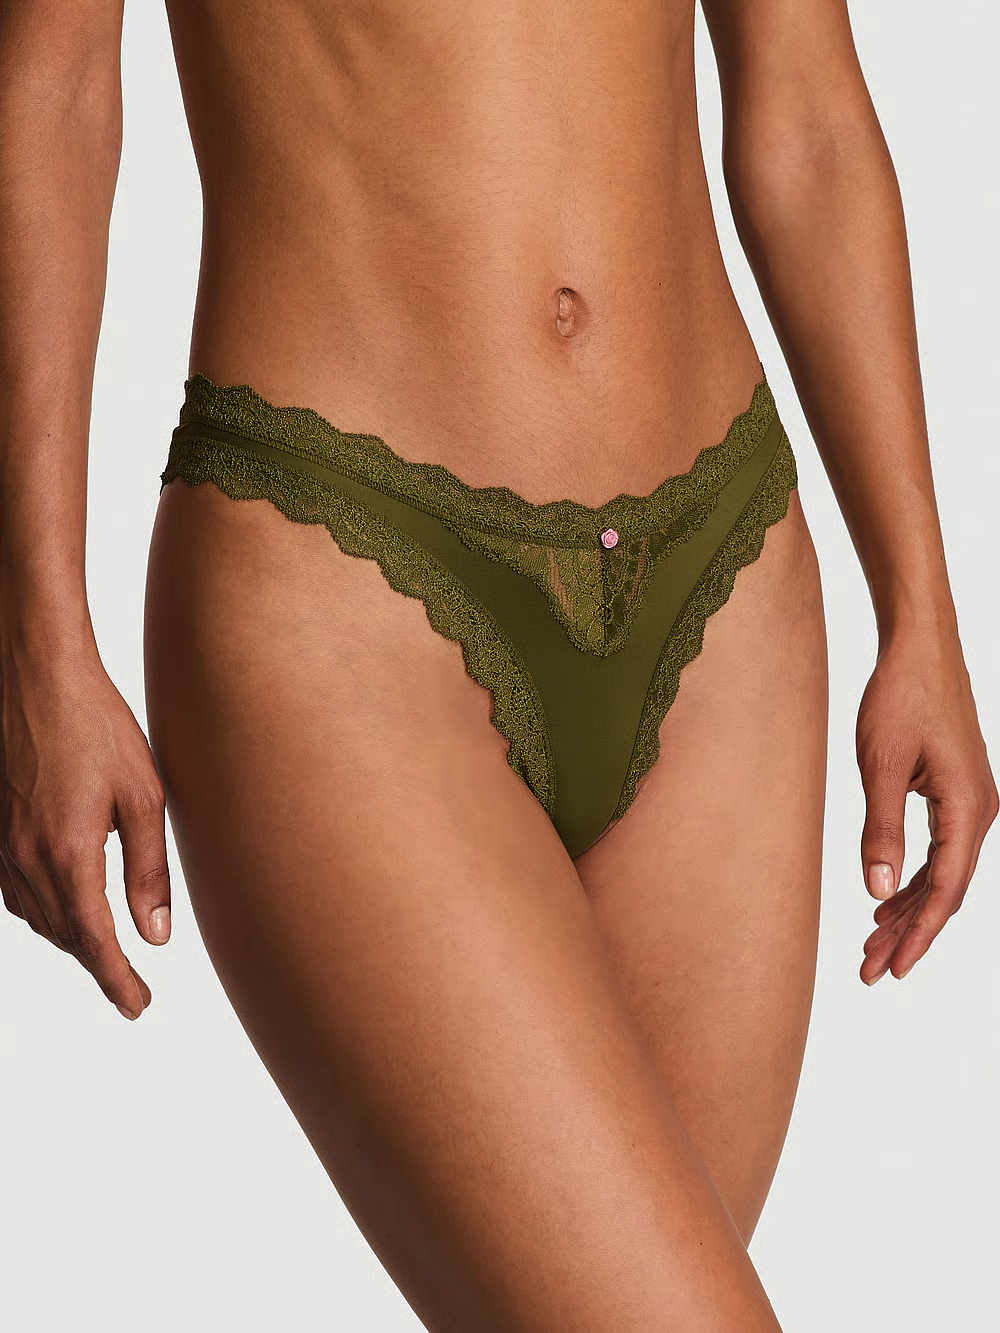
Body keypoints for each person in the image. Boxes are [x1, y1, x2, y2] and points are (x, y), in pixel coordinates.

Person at [0, 0, 995, 1327]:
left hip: (722, 582)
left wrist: (922, 608)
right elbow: (51, 89)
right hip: (343, 574)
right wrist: (38, 643)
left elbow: (806, 104)